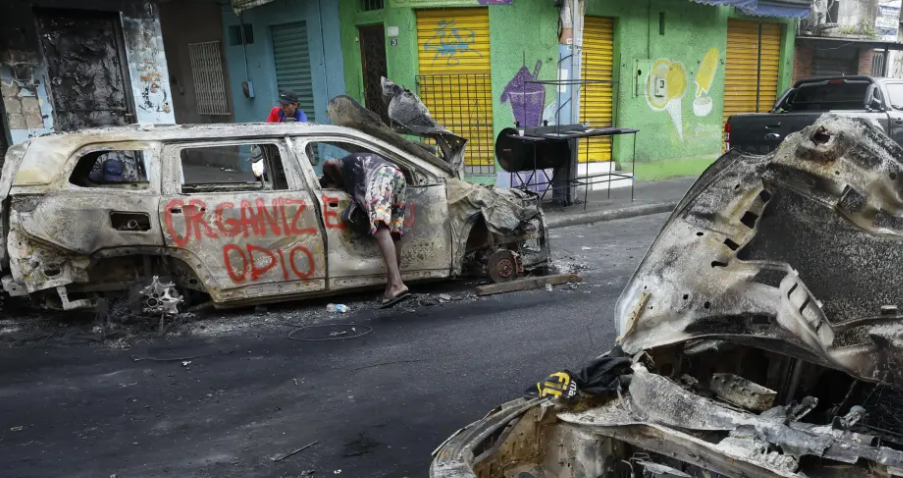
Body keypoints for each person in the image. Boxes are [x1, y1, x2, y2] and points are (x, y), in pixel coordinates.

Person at [320, 153, 410, 307]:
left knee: (380, 227)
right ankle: (391, 288)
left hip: (380, 175)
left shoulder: (342, 166)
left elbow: (329, 163)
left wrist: (336, 181)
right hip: (396, 174)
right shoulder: (356, 170)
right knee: (394, 232)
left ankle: (397, 284)